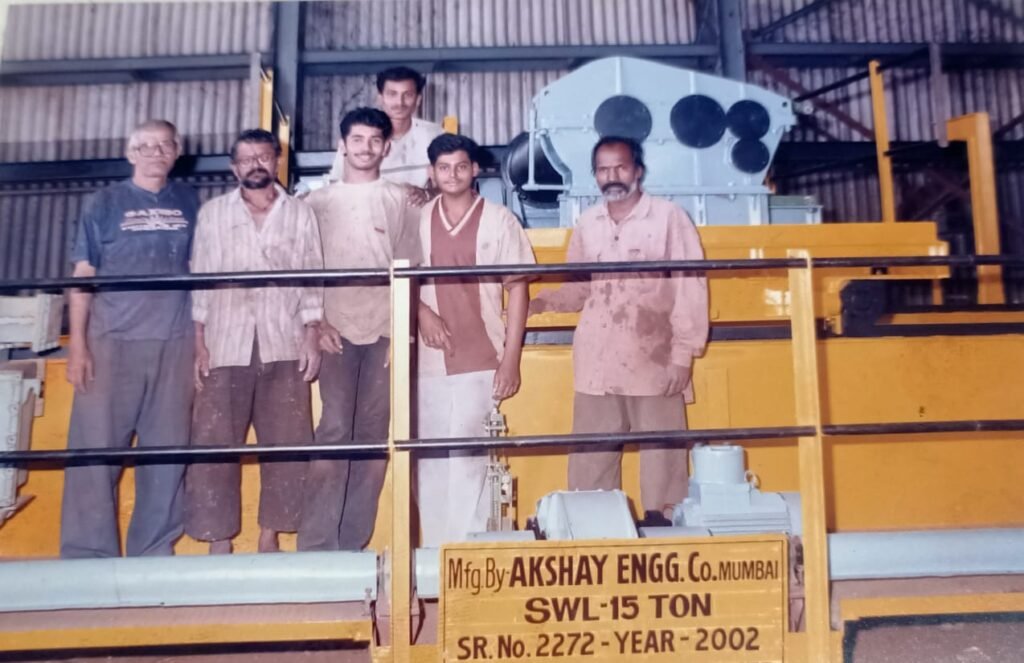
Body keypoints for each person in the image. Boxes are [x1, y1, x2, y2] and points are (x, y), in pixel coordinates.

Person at [529, 135, 709, 525]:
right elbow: (579, 286)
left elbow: (690, 288)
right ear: (595, 175)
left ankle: (665, 534)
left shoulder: (668, 218)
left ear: (638, 170)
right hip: (597, 364)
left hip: (655, 362)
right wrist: (542, 302)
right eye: (603, 169)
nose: (612, 176)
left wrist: (682, 356)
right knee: (590, 463)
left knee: (663, 464)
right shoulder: (588, 223)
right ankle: (592, 532)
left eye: (621, 167)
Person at [61, 119, 198, 558]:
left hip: (174, 343)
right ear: (130, 153)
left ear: (177, 151)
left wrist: (200, 344)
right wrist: (78, 346)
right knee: (94, 455)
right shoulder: (104, 202)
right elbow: (83, 274)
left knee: (166, 456)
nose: (155, 152)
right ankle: (87, 556)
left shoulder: (190, 202)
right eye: (145, 146)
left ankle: (153, 552)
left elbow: (200, 274)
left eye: (164, 145)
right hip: (110, 343)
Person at [186, 129, 323, 554]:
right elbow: (200, 280)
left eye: (263, 156)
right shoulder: (213, 214)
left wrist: (312, 335)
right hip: (225, 342)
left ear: (277, 160)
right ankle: (218, 539)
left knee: (287, 442)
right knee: (214, 442)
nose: (255, 165)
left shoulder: (300, 214)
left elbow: (313, 278)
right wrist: (199, 342)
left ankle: (271, 534)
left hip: (283, 341)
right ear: (234, 168)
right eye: (246, 159)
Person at [298, 107, 419, 551]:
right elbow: (305, 270)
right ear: (342, 145)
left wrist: (401, 333)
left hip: (386, 332)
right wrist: (318, 322)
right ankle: (317, 545)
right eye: (357, 139)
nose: (365, 148)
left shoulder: (402, 200)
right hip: (335, 331)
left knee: (372, 435)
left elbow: (411, 269)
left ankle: (352, 543)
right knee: (332, 430)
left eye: (374, 140)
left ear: (386, 148)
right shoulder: (315, 203)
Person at [416, 134, 535, 546]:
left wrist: (511, 359)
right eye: (444, 167)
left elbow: (518, 289)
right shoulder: (416, 220)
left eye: (461, 166)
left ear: (475, 170)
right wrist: (421, 311)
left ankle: (468, 554)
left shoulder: (500, 220)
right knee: (429, 463)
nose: (453, 175)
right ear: (431, 172)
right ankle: (434, 554)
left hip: (482, 357)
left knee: (472, 462)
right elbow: (397, 279)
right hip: (427, 362)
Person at [328, 66, 443, 204]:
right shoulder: (360, 137)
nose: (399, 103)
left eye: (407, 95)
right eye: (392, 94)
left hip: (417, 213)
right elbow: (335, 185)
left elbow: (452, 184)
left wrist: (427, 194)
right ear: (380, 98)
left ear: (418, 100)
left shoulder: (435, 135)